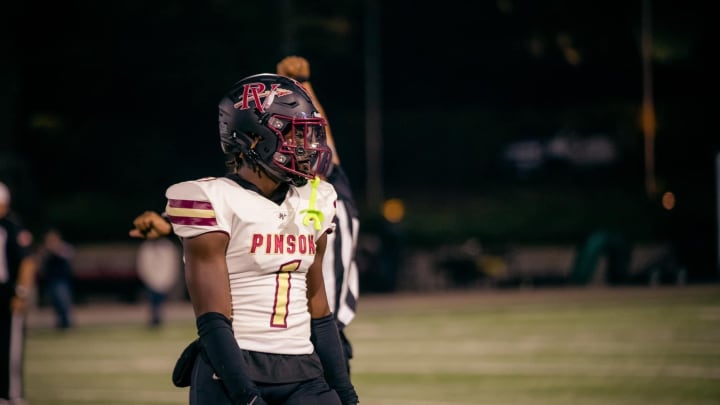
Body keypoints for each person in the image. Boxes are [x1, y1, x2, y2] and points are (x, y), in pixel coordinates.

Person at [132, 74, 358, 405]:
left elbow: (319, 311)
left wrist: (346, 394)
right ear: (252, 137)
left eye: (307, 134)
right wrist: (247, 397)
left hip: (303, 369)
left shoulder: (316, 198)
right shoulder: (211, 198)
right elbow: (212, 318)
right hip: (232, 369)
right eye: (293, 133)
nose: (305, 146)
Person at [276, 55, 360, 372]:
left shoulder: (332, 187)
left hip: (328, 332)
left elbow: (321, 134)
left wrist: (302, 85)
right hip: (287, 336)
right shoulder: (281, 196)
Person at [0, 181, 37, 405]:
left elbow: (27, 262)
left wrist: (21, 293)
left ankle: (12, 394)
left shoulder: (12, 227)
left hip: (6, 291)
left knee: (10, 346)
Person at [135, 236, 181, 327]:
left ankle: (158, 318)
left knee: (159, 301)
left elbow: (172, 264)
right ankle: (154, 318)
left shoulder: (168, 247)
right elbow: (143, 264)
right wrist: (149, 278)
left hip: (164, 278)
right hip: (151, 279)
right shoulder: (146, 247)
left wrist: (168, 278)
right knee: (153, 300)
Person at [36, 228, 75, 330]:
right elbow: (40, 261)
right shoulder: (45, 249)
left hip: (61, 279)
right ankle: (60, 322)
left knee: (63, 300)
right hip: (51, 279)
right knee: (55, 301)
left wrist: (55, 250)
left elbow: (68, 257)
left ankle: (67, 322)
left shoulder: (63, 247)